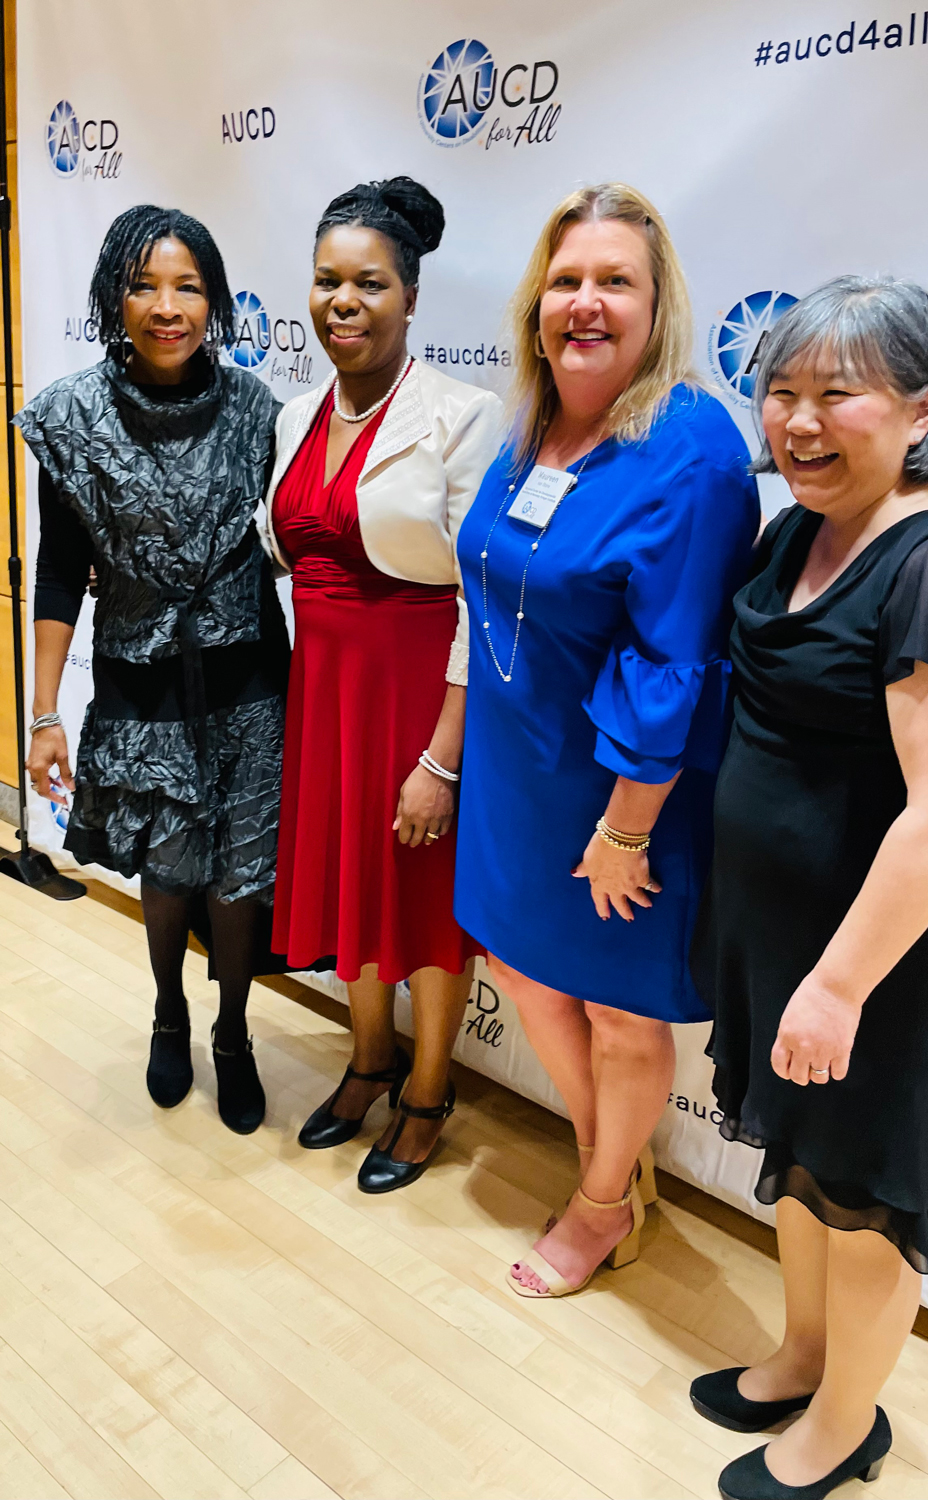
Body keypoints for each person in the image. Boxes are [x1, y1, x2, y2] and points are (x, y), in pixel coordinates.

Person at [689, 276, 928, 1500]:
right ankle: (803, 1356)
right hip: (777, 929)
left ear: (922, 408)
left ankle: (845, 1424)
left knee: (868, 1189)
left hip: (871, 958)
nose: (797, 422)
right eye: (779, 393)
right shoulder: (791, 531)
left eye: (836, 395)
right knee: (802, 1161)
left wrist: (837, 983)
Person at [454, 183, 759, 1297]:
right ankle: (619, 1175)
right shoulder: (533, 417)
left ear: (656, 300)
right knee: (524, 972)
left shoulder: (690, 444)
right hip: (513, 767)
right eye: (566, 279)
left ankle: (598, 1204)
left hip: (623, 789)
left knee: (624, 1018)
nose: (583, 302)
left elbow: (675, 654)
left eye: (613, 281)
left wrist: (626, 831)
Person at [18, 205, 288, 1135]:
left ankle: (234, 1031)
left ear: (213, 301)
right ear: (112, 296)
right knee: (170, 871)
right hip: (142, 682)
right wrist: (43, 710)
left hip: (250, 682)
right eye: (145, 285)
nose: (167, 307)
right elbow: (57, 572)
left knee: (241, 874)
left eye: (188, 287)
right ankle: (171, 1010)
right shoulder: (72, 418)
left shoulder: (261, 412)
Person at [266, 177, 502, 1193]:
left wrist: (442, 760)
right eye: (326, 282)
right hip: (324, 694)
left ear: (409, 297)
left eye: (368, 283)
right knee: (352, 882)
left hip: (417, 696)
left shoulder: (464, 414)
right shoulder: (293, 415)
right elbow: (291, 553)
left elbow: (482, 599)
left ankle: (428, 1090)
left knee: (420, 899)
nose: (343, 301)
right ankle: (369, 1060)